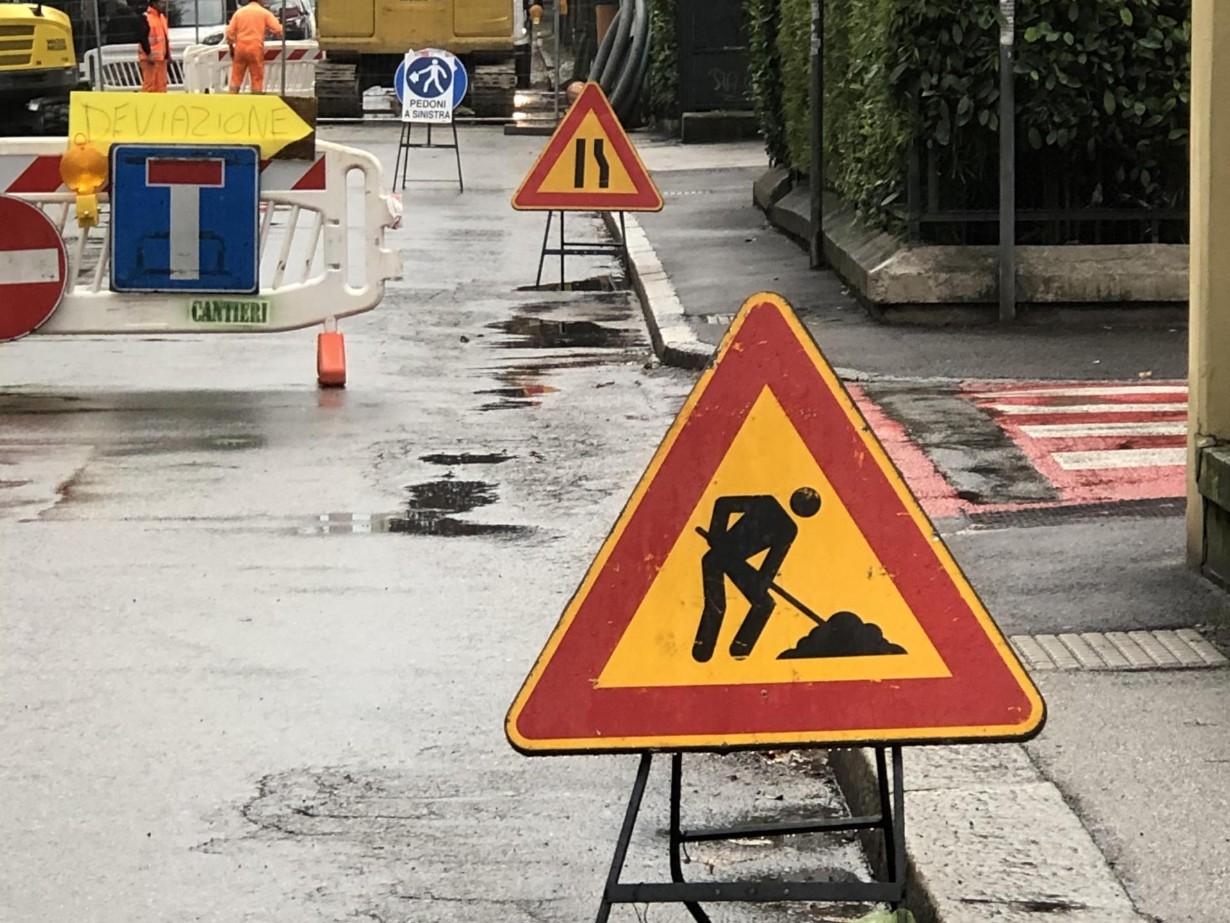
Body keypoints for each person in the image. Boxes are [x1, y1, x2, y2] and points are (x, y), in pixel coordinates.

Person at [692, 487, 822, 663]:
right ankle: (703, 648)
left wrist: (761, 584)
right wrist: (717, 533)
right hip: (715, 558)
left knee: (764, 604)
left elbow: (771, 565)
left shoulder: (789, 529)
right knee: (717, 606)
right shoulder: (767, 504)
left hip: (735, 562)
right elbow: (723, 504)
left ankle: (740, 648)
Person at [226, 0, 284, 94]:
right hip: (255, 48)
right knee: (257, 77)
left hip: (240, 49)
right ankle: (255, 99)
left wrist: (231, 48)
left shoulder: (239, 13)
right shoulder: (264, 13)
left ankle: (232, 98)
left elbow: (229, 33)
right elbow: (278, 29)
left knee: (236, 77)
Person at [136, 0, 170, 93]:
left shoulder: (162, 18)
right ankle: (147, 106)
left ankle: (160, 105)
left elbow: (165, 38)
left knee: (161, 85)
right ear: (154, 3)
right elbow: (142, 38)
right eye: (161, 3)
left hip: (161, 59)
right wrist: (149, 54)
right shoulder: (146, 18)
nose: (164, 5)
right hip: (149, 59)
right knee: (150, 86)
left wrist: (168, 55)